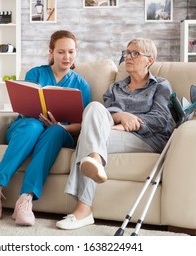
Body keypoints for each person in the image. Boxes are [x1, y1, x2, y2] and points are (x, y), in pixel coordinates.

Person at [56, 38, 174, 230]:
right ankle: (95, 160)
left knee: (88, 136)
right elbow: (105, 114)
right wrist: (121, 115)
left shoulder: (160, 85)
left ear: (149, 60)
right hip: (113, 132)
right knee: (94, 107)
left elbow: (160, 119)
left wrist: (126, 124)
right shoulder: (115, 88)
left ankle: (84, 209)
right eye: (126, 52)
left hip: (147, 138)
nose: (128, 57)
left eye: (135, 53)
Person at [0, 30, 91, 226]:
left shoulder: (81, 84)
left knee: (56, 131)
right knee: (32, 126)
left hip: (59, 133)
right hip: (27, 126)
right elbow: (23, 108)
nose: (67, 57)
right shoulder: (35, 74)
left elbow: (83, 124)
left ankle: (26, 199)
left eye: (71, 52)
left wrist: (60, 126)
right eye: (61, 52)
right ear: (51, 52)